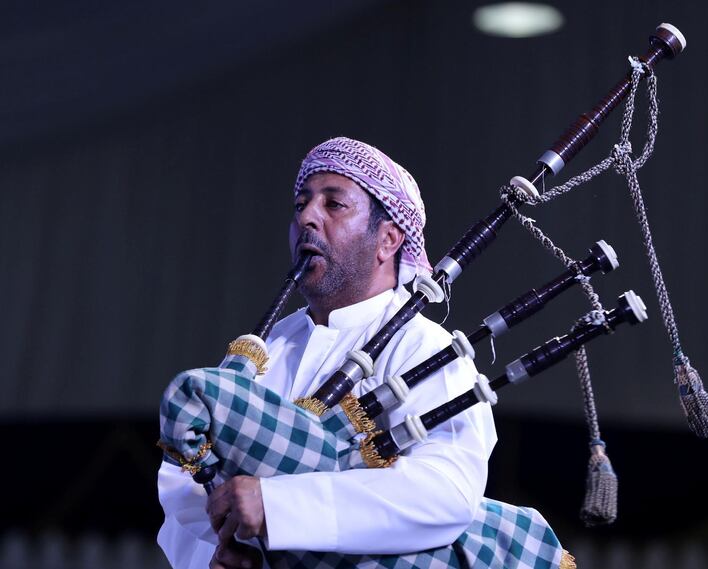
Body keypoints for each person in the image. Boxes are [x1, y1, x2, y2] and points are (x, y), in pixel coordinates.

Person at [157, 136, 497, 569]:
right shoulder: (265, 350)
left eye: (333, 205)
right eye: (301, 204)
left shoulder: (424, 348)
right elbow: (181, 480)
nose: (307, 218)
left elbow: (447, 491)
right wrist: (227, 550)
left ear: (389, 239)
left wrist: (277, 509)